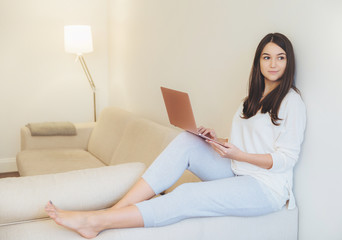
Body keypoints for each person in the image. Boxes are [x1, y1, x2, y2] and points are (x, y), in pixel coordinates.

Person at [45, 32, 306, 239]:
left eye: (280, 57)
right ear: (258, 61)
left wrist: (240, 154)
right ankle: (114, 211)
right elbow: (244, 142)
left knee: (186, 194)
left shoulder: (292, 102)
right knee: (187, 141)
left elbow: (286, 159)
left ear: (288, 62)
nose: (273, 64)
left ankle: (97, 222)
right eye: (267, 57)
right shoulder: (248, 101)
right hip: (238, 169)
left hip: (265, 187)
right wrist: (218, 140)